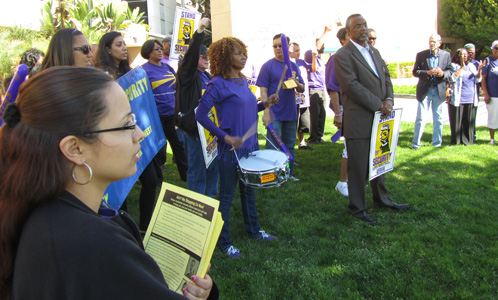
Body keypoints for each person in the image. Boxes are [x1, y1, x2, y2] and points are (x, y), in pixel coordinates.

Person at [0, 67, 217, 299]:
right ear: (75, 149)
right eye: (126, 124)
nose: (139, 133)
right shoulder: (94, 247)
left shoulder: (40, 210)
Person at [196, 37, 278, 258]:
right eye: (238, 53)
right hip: (230, 151)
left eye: (244, 52)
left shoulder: (242, 81)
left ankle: (254, 231)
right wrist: (224, 137)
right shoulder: (216, 83)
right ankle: (225, 242)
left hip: (250, 146)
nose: (243, 56)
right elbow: (200, 115)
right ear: (224, 57)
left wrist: (265, 104)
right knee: (226, 196)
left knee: (249, 192)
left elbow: (248, 109)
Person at [334, 14, 409, 226]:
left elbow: (386, 78)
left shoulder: (374, 51)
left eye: (364, 25)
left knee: (380, 161)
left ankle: (382, 199)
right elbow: (351, 86)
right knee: (358, 167)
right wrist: (379, 104)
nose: (363, 29)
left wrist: (389, 99)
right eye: (357, 26)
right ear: (349, 33)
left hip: (381, 118)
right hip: (359, 120)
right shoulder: (343, 55)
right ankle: (357, 209)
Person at [96, 33, 159, 231]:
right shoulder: (101, 76)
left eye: (124, 44)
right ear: (107, 49)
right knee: (121, 188)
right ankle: (122, 230)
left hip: (136, 134)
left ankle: (144, 226)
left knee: (150, 181)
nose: (124, 48)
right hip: (117, 138)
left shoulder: (131, 73)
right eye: (119, 44)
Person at [175, 18, 219, 198]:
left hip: (209, 132)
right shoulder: (187, 76)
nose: (207, 59)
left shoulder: (206, 75)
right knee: (197, 172)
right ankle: (197, 208)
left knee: (212, 170)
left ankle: (210, 203)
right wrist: (199, 32)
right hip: (193, 132)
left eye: (208, 56)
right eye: (203, 56)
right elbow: (190, 59)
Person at [257, 33, 305, 181]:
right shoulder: (267, 66)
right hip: (274, 113)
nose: (277, 48)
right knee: (273, 145)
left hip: (290, 112)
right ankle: (270, 176)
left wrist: (295, 81)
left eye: (280, 45)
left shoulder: (294, 66)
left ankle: (288, 174)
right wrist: (266, 113)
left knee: (290, 145)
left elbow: (302, 88)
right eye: (275, 46)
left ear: (287, 47)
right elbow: (263, 91)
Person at [141, 39, 188, 181]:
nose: (160, 50)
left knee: (178, 145)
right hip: (156, 115)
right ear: (148, 52)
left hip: (172, 114)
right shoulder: (143, 70)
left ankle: (186, 176)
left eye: (161, 48)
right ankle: (156, 179)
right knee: (156, 148)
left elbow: (177, 86)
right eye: (156, 49)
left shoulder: (167, 68)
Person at [411, 33, 452, 149]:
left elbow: (450, 71)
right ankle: (415, 143)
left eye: (434, 42)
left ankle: (437, 143)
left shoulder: (446, 55)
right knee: (421, 118)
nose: (432, 44)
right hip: (425, 91)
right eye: (430, 41)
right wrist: (426, 73)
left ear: (440, 43)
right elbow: (415, 72)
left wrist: (442, 74)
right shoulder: (421, 55)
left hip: (439, 89)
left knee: (438, 118)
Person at [325, 27, 350, 197]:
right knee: (350, 146)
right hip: (345, 108)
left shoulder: (355, 57)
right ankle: (342, 182)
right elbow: (333, 88)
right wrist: (338, 113)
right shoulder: (336, 59)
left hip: (358, 109)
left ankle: (353, 178)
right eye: (350, 35)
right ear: (342, 40)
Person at [447, 48, 483, 145]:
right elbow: (452, 78)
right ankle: (457, 141)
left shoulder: (471, 66)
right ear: (457, 56)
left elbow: (478, 79)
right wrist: (461, 67)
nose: (464, 56)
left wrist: (479, 70)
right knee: (457, 121)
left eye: (465, 54)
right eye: (462, 54)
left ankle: (467, 140)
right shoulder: (453, 65)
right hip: (458, 98)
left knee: (468, 120)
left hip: (470, 98)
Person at [304, 25, 332, 145]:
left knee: (322, 113)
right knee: (315, 114)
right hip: (313, 90)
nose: (323, 47)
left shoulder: (320, 59)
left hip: (321, 89)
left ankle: (319, 135)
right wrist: (325, 32)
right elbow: (316, 47)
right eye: (322, 45)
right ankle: (313, 137)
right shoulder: (310, 56)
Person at [289, 42, 312, 150]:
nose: (299, 52)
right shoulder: (289, 64)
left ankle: (302, 142)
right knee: (295, 120)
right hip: (295, 96)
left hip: (303, 96)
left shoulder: (301, 62)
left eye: (299, 50)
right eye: (296, 50)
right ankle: (290, 144)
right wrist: (300, 94)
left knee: (302, 120)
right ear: (289, 51)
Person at [481, 40, 498, 145]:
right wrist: (486, 93)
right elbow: (483, 79)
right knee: (493, 116)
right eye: (496, 48)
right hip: (493, 94)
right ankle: (492, 138)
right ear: (492, 49)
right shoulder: (488, 61)